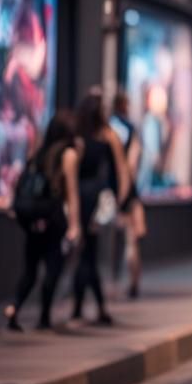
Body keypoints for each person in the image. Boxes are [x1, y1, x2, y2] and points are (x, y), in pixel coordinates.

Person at [7, 111, 81, 331]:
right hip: (53, 218)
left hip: (33, 219)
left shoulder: (39, 152)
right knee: (53, 267)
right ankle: (44, 317)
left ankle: (14, 308)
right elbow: (72, 192)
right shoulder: (68, 155)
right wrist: (75, 225)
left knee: (30, 269)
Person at [73, 91, 130, 325]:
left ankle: (85, 307)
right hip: (96, 197)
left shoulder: (79, 137)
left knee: (84, 253)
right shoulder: (108, 136)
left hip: (81, 196)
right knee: (88, 253)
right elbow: (122, 172)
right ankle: (96, 307)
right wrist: (118, 200)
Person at [109, 91, 145, 299]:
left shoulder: (107, 128)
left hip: (109, 190)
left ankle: (113, 278)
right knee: (131, 240)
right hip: (128, 191)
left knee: (110, 237)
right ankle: (132, 282)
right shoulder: (130, 130)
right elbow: (132, 165)